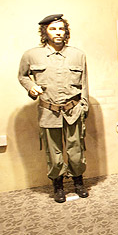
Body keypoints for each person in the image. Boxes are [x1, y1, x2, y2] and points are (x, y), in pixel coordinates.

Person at [18, 14, 89, 203]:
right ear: (45, 32)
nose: (58, 33)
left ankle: (78, 182)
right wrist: (31, 88)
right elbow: (23, 76)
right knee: (53, 152)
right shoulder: (31, 55)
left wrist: (84, 107)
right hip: (48, 111)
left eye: (61, 29)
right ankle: (58, 186)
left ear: (66, 32)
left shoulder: (78, 55)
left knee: (76, 150)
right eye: (53, 29)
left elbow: (84, 83)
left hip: (73, 110)